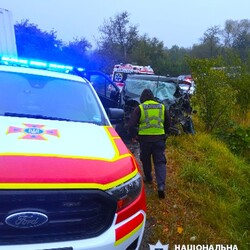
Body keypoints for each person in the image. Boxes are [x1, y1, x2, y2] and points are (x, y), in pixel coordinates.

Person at [128, 89, 171, 199]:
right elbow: (168, 123)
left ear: (142, 98)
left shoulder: (140, 108)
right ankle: (161, 186)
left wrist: (134, 136)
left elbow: (131, 124)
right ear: (153, 97)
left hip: (145, 140)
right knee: (160, 162)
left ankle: (149, 178)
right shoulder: (162, 107)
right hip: (159, 139)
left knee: (145, 159)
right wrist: (165, 134)